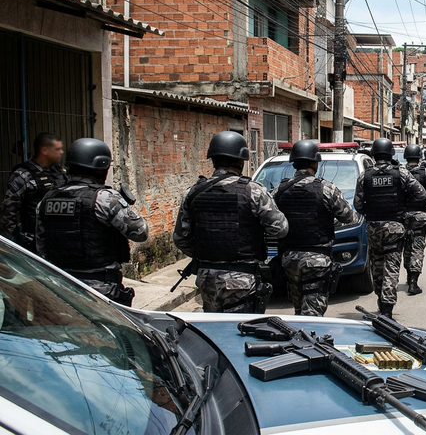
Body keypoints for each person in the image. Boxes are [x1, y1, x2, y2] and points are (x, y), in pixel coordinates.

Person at [173, 131, 288, 313]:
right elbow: (280, 228)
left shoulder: (193, 192)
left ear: (213, 160)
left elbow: (180, 238)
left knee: (213, 332)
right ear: (240, 161)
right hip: (241, 278)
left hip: (206, 278)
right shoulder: (253, 191)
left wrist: (207, 253)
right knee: (240, 332)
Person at [36, 138, 146, 306]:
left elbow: (42, 247)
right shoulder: (104, 198)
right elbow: (140, 232)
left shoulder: (47, 199)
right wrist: (123, 205)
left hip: (61, 287)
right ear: (101, 168)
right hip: (99, 289)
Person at [274, 140, 362, 316]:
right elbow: (348, 217)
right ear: (315, 163)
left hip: (290, 258)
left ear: (294, 162)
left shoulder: (279, 189)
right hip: (317, 259)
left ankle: (299, 336)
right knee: (313, 314)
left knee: (299, 309)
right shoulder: (326, 188)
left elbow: (270, 219)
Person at [354, 138, 426, 318]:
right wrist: (403, 203)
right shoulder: (400, 173)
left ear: (374, 155)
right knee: (391, 267)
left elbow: (357, 205)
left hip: (373, 227)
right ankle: (387, 309)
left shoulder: (365, 175)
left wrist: (371, 213)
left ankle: (380, 300)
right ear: (391, 154)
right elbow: (421, 193)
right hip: (394, 226)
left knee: (376, 265)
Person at [1, 132, 67, 252]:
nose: (61, 152)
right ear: (44, 151)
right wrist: (11, 243)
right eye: (57, 149)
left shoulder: (59, 173)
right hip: (33, 243)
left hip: (59, 241)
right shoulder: (23, 174)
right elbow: (8, 210)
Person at [402, 144, 426, 295]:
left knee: (406, 246)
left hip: (402, 216)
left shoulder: (400, 172)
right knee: (417, 247)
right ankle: (413, 282)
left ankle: (408, 275)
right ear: (419, 157)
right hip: (420, 216)